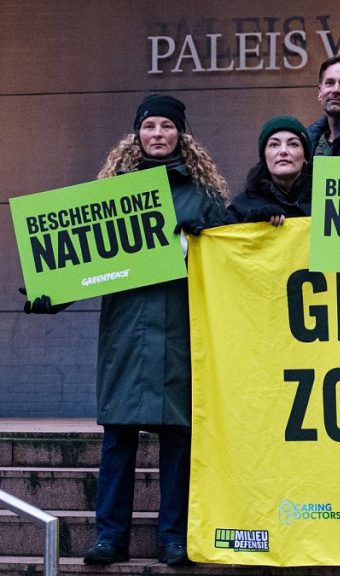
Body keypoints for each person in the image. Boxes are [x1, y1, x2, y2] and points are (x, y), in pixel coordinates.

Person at [22, 94, 230, 566]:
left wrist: (207, 238)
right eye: (149, 126)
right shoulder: (112, 194)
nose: (158, 133)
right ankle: (110, 537)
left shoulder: (204, 195)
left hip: (180, 331)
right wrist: (49, 297)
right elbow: (83, 262)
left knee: (178, 438)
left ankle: (173, 537)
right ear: (137, 134)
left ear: (181, 134)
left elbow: (233, 255)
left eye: (167, 126)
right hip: (125, 332)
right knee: (118, 437)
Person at [230, 115, 312, 225]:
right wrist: (250, 226)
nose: (283, 151)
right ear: (264, 156)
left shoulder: (325, 199)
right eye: (274, 145)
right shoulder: (241, 207)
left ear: (305, 156)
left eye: (293, 144)